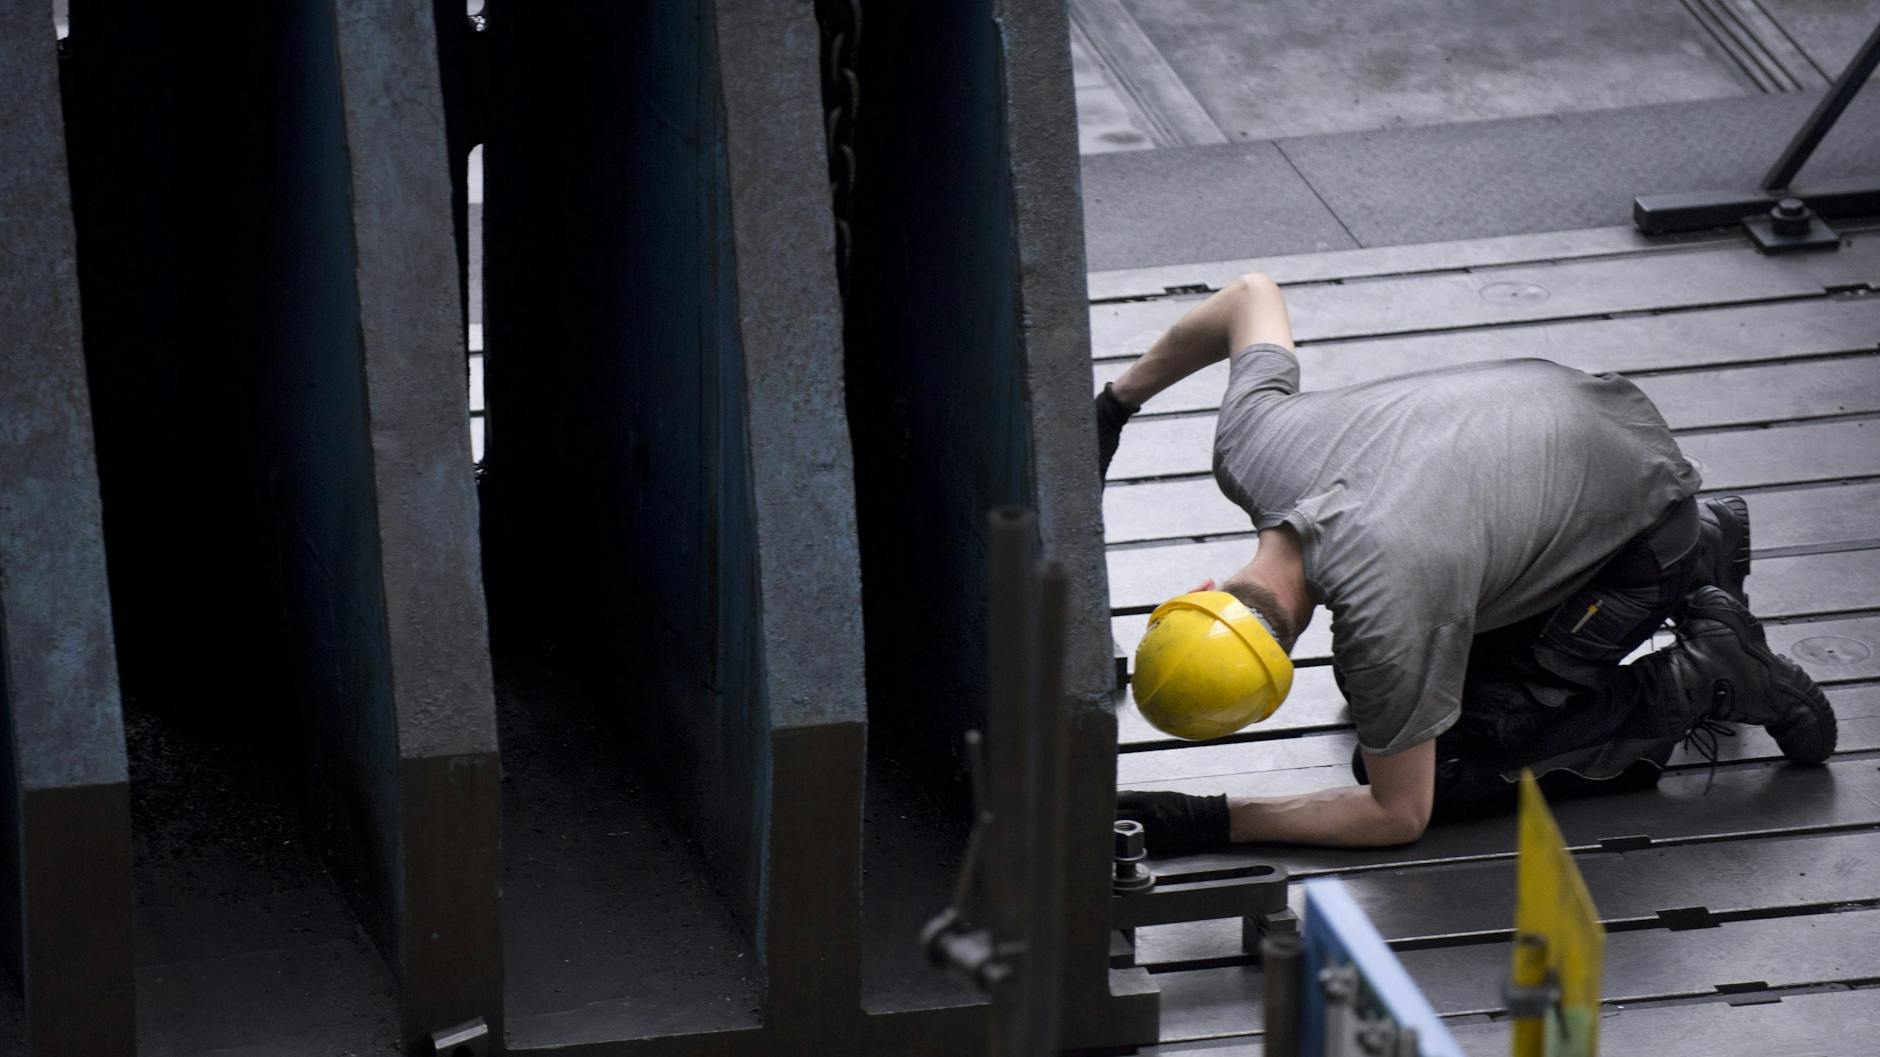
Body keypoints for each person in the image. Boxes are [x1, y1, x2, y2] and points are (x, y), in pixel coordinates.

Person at [1098, 273, 1837, 855]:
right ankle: (1701, 538)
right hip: (1601, 422)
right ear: (1197, 592)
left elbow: (1397, 813)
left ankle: (1709, 672)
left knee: (1443, 762)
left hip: (1637, 535)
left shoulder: (1387, 610)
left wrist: (1203, 820)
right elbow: (1250, 295)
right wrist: (1113, 405)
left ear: (1280, 675)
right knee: (1381, 696)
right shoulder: (1251, 448)